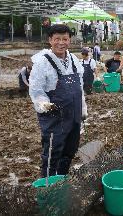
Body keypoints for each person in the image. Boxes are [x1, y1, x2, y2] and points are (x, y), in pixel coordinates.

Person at [29, 24, 87, 177]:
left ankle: (61, 179)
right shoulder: (42, 62)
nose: (61, 43)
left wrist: (83, 109)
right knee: (52, 153)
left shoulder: (74, 60)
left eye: (65, 39)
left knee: (70, 150)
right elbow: (36, 90)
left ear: (70, 40)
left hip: (73, 116)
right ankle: (47, 185)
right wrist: (43, 104)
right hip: (54, 117)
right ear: (50, 40)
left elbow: (79, 88)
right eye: (57, 39)